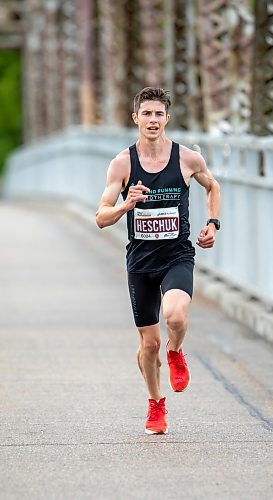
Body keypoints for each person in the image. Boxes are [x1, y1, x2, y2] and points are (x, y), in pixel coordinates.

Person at [96, 87, 220, 434]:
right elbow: (101, 217)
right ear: (136, 118)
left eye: (158, 114)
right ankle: (155, 403)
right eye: (146, 114)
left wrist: (212, 222)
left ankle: (176, 351)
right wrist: (124, 205)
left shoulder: (187, 159)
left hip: (177, 255)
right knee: (148, 344)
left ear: (167, 118)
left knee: (176, 315)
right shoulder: (122, 163)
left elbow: (213, 186)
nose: (153, 120)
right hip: (140, 263)